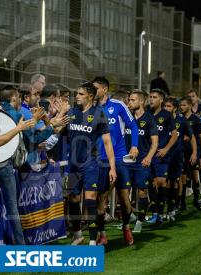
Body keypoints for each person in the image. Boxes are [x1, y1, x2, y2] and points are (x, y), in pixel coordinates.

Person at [0, 85, 64, 245]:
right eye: (18, 97)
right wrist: (49, 126)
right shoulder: (16, 115)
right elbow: (32, 142)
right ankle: (19, 242)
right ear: (14, 97)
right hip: (8, 166)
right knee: (12, 206)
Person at [66, 81, 116, 246]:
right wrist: (52, 117)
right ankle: (78, 234)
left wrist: (112, 167)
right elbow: (58, 130)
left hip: (91, 164)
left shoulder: (100, 115)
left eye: (81, 94)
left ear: (91, 96)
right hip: (73, 164)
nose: (77, 96)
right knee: (73, 198)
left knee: (90, 200)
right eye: (77, 93)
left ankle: (93, 240)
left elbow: (107, 143)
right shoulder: (71, 112)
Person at [92, 76, 139, 245]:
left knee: (124, 198)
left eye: (95, 88)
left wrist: (134, 145)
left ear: (105, 89)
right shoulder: (91, 108)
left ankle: (126, 227)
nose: (93, 91)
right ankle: (102, 235)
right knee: (100, 199)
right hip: (100, 160)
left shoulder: (118, 106)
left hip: (119, 160)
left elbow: (133, 125)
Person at [125, 90, 158, 233]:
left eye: (132, 100)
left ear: (141, 102)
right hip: (126, 161)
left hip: (141, 162)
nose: (130, 103)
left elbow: (154, 143)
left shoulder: (149, 120)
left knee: (142, 192)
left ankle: (139, 221)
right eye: (129, 100)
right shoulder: (126, 118)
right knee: (123, 192)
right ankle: (128, 219)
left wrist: (149, 157)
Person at [145, 88, 177, 226]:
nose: (151, 99)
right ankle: (154, 213)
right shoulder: (146, 113)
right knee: (151, 184)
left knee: (161, 183)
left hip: (161, 155)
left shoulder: (167, 115)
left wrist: (165, 148)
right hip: (148, 155)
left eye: (154, 97)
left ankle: (160, 214)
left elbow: (174, 135)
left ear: (161, 100)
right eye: (150, 97)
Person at [164, 97, 197, 218]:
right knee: (163, 183)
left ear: (175, 108)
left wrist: (194, 153)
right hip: (163, 157)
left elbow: (192, 137)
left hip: (177, 157)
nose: (166, 108)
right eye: (165, 106)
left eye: (168, 106)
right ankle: (162, 209)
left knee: (174, 183)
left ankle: (173, 207)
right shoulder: (161, 119)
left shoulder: (181, 120)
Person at [180, 96, 201, 211]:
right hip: (181, 152)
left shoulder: (196, 120)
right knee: (183, 177)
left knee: (194, 176)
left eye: (184, 105)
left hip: (193, 152)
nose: (182, 107)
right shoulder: (179, 119)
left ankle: (196, 201)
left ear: (190, 106)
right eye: (181, 105)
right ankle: (182, 204)